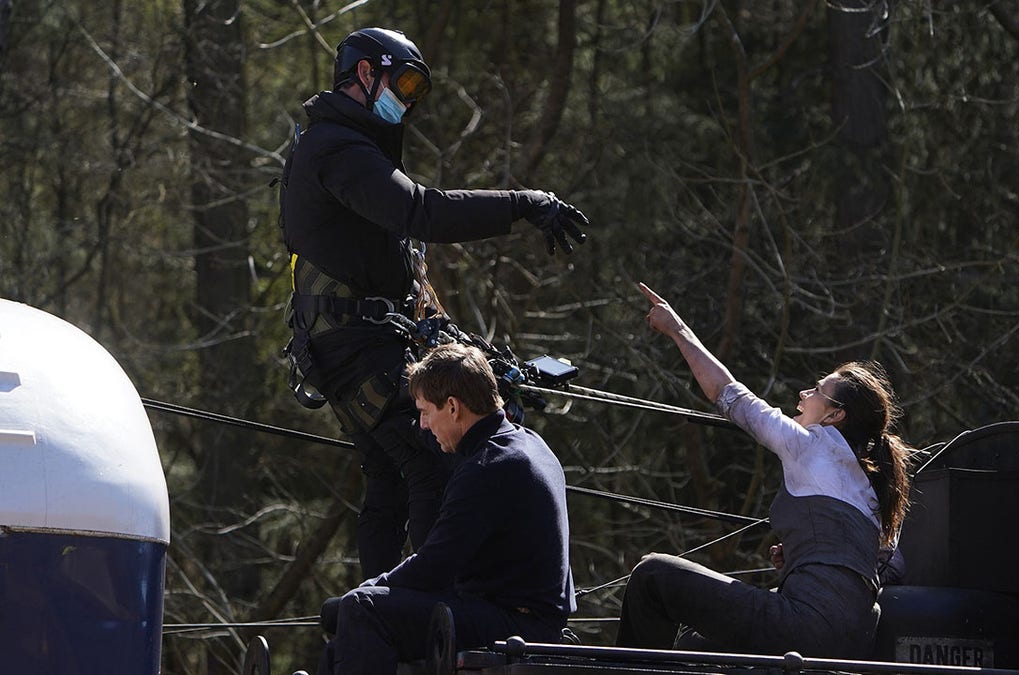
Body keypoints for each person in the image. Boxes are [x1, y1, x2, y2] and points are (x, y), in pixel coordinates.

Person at [279, 26, 589, 578]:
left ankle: (375, 614)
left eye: (417, 90)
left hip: (354, 343)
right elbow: (425, 211)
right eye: (402, 82)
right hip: (352, 346)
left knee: (389, 475)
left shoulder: (346, 147)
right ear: (365, 73)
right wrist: (522, 203)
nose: (408, 98)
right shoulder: (336, 149)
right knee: (427, 458)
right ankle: (423, 609)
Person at [616, 283, 913, 658]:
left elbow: (730, 395)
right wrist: (803, 561)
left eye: (817, 391)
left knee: (652, 575)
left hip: (808, 627)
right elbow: (883, 565)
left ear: (836, 415)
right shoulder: (874, 484)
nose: (804, 395)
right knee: (695, 645)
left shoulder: (811, 443)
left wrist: (677, 328)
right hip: (854, 637)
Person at [316, 343, 575, 675]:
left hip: (518, 624)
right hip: (517, 613)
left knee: (362, 608)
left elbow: (434, 566)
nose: (423, 425)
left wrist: (366, 589)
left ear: (453, 407)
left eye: (425, 412)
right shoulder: (526, 443)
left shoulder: (487, 467)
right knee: (342, 645)